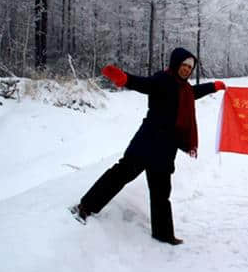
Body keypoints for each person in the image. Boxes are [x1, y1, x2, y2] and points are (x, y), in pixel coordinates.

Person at [70, 47, 226, 245]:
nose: (187, 69)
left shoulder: (184, 88)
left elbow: (193, 93)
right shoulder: (162, 79)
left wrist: (213, 86)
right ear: (175, 63)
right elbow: (144, 84)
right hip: (147, 142)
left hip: (166, 149)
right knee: (119, 175)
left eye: (190, 67)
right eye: (184, 65)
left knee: (161, 192)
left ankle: (163, 234)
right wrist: (125, 79)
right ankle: (84, 207)